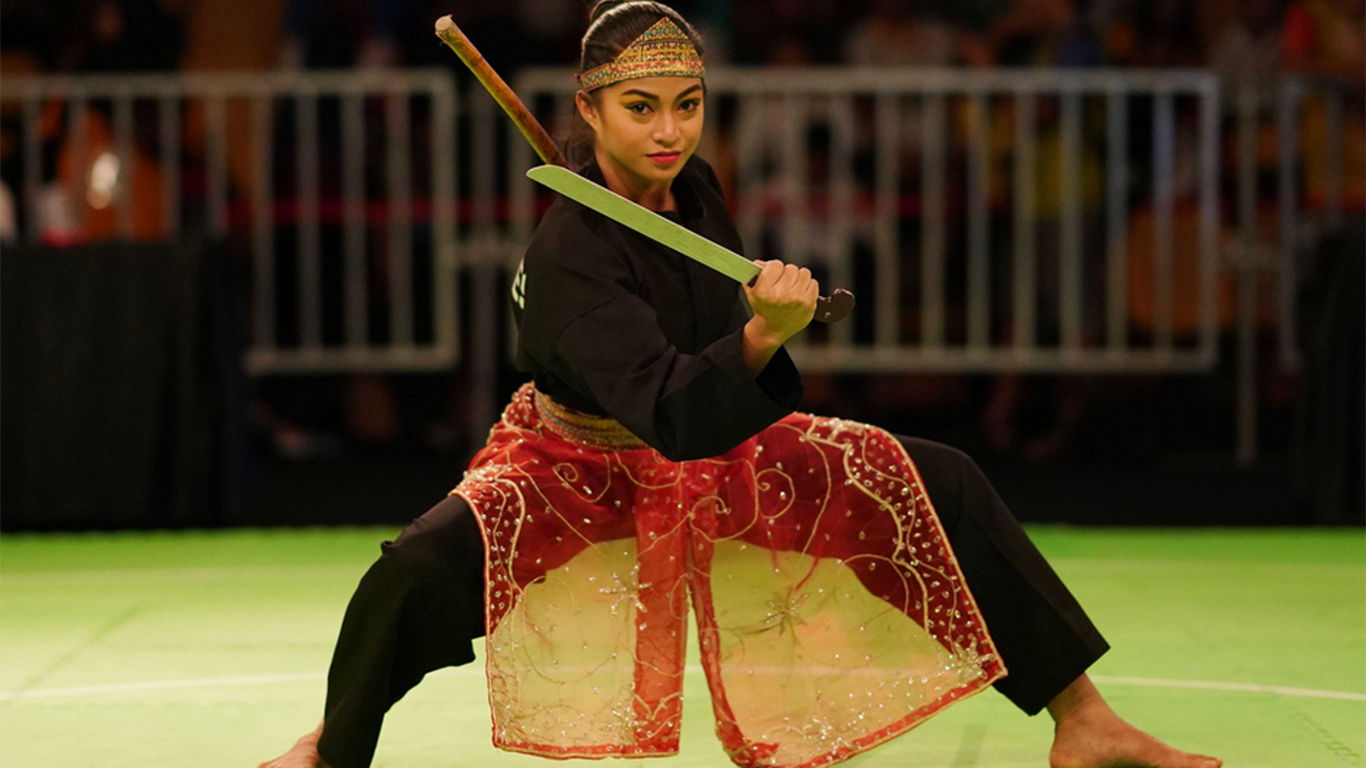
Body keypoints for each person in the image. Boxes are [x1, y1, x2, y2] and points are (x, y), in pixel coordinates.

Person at [258, 3, 1223, 767]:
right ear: (589, 113)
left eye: (688, 102)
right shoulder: (569, 259)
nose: (671, 130)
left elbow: (711, 378)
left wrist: (758, 321)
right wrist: (765, 332)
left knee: (936, 483)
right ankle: (333, 752)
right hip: (577, 461)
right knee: (411, 574)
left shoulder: (693, 188)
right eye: (641, 107)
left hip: (721, 441)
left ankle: (1083, 720)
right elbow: (671, 411)